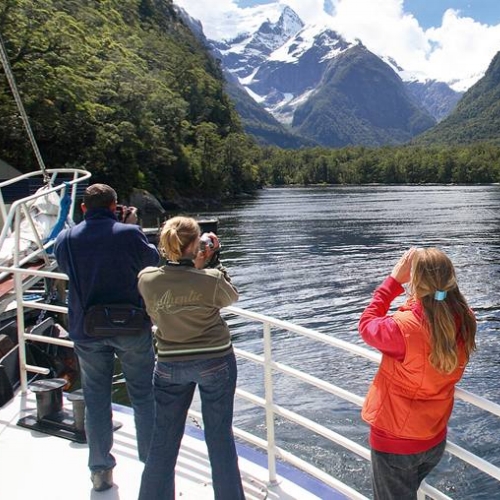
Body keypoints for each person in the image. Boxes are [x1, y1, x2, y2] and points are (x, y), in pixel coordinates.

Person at [54, 183, 159, 492]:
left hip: (88, 331)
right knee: (143, 396)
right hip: (131, 328)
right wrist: (132, 227)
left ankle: (101, 472)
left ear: (83, 209)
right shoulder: (128, 234)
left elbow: (66, 268)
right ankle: (153, 468)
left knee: (96, 399)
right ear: (115, 207)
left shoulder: (67, 239)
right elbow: (152, 262)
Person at [137, 216, 245, 500]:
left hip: (170, 363)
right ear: (197, 245)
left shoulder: (147, 280)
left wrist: (194, 264)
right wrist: (213, 260)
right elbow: (230, 296)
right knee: (219, 437)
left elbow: (172, 285)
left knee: (163, 441)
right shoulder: (210, 279)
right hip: (215, 361)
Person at [358, 247, 477, 499]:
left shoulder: (402, 330)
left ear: (416, 282)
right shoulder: (466, 319)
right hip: (433, 438)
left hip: (396, 443)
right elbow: (436, 307)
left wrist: (393, 281)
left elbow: (366, 325)